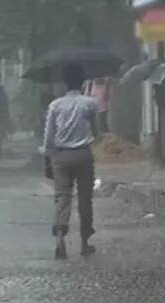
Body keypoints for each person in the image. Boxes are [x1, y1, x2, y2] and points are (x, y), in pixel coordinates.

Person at [42, 64, 100, 260]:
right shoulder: (89, 104)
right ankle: (85, 242)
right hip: (83, 154)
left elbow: (49, 137)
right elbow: (96, 130)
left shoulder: (55, 105)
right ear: (83, 82)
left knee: (62, 197)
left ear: (65, 84)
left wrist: (48, 157)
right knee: (85, 198)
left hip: (61, 155)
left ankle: (60, 240)